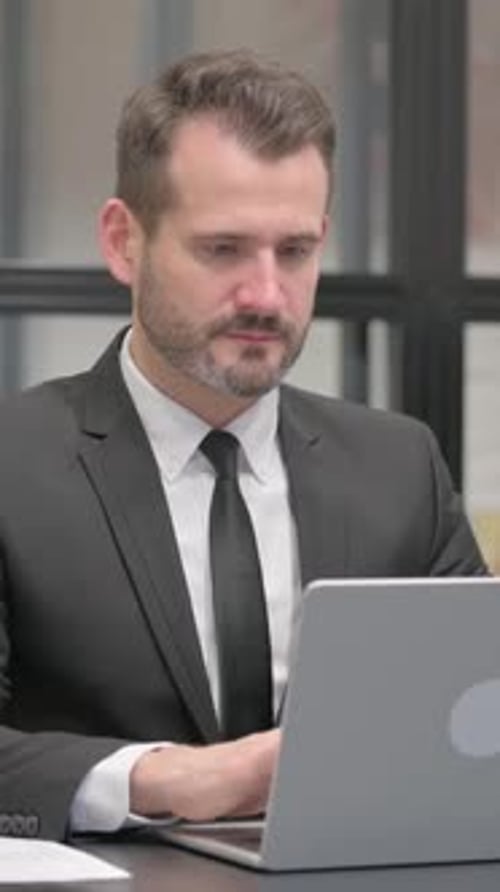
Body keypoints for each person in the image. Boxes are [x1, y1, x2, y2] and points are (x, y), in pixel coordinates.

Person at [0, 49, 488, 842]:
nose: (266, 294)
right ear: (125, 242)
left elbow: (479, 721)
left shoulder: (401, 469)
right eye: (223, 249)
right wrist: (159, 778)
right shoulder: (11, 466)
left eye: (294, 252)